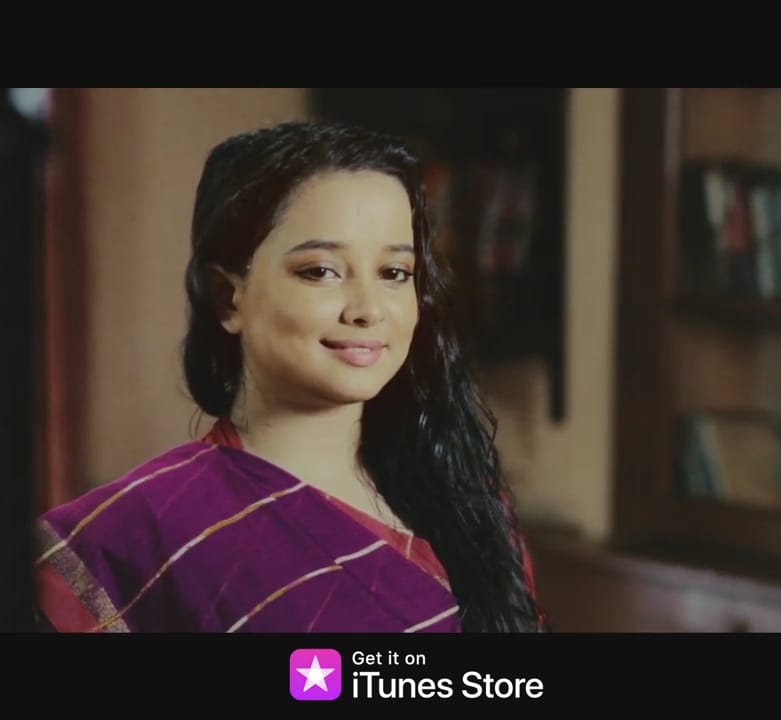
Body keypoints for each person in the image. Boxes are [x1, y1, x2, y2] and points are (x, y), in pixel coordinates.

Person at [33, 120, 546, 632]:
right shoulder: (139, 531)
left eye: (394, 273)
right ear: (228, 297)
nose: (368, 310)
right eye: (320, 271)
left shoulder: (468, 503)